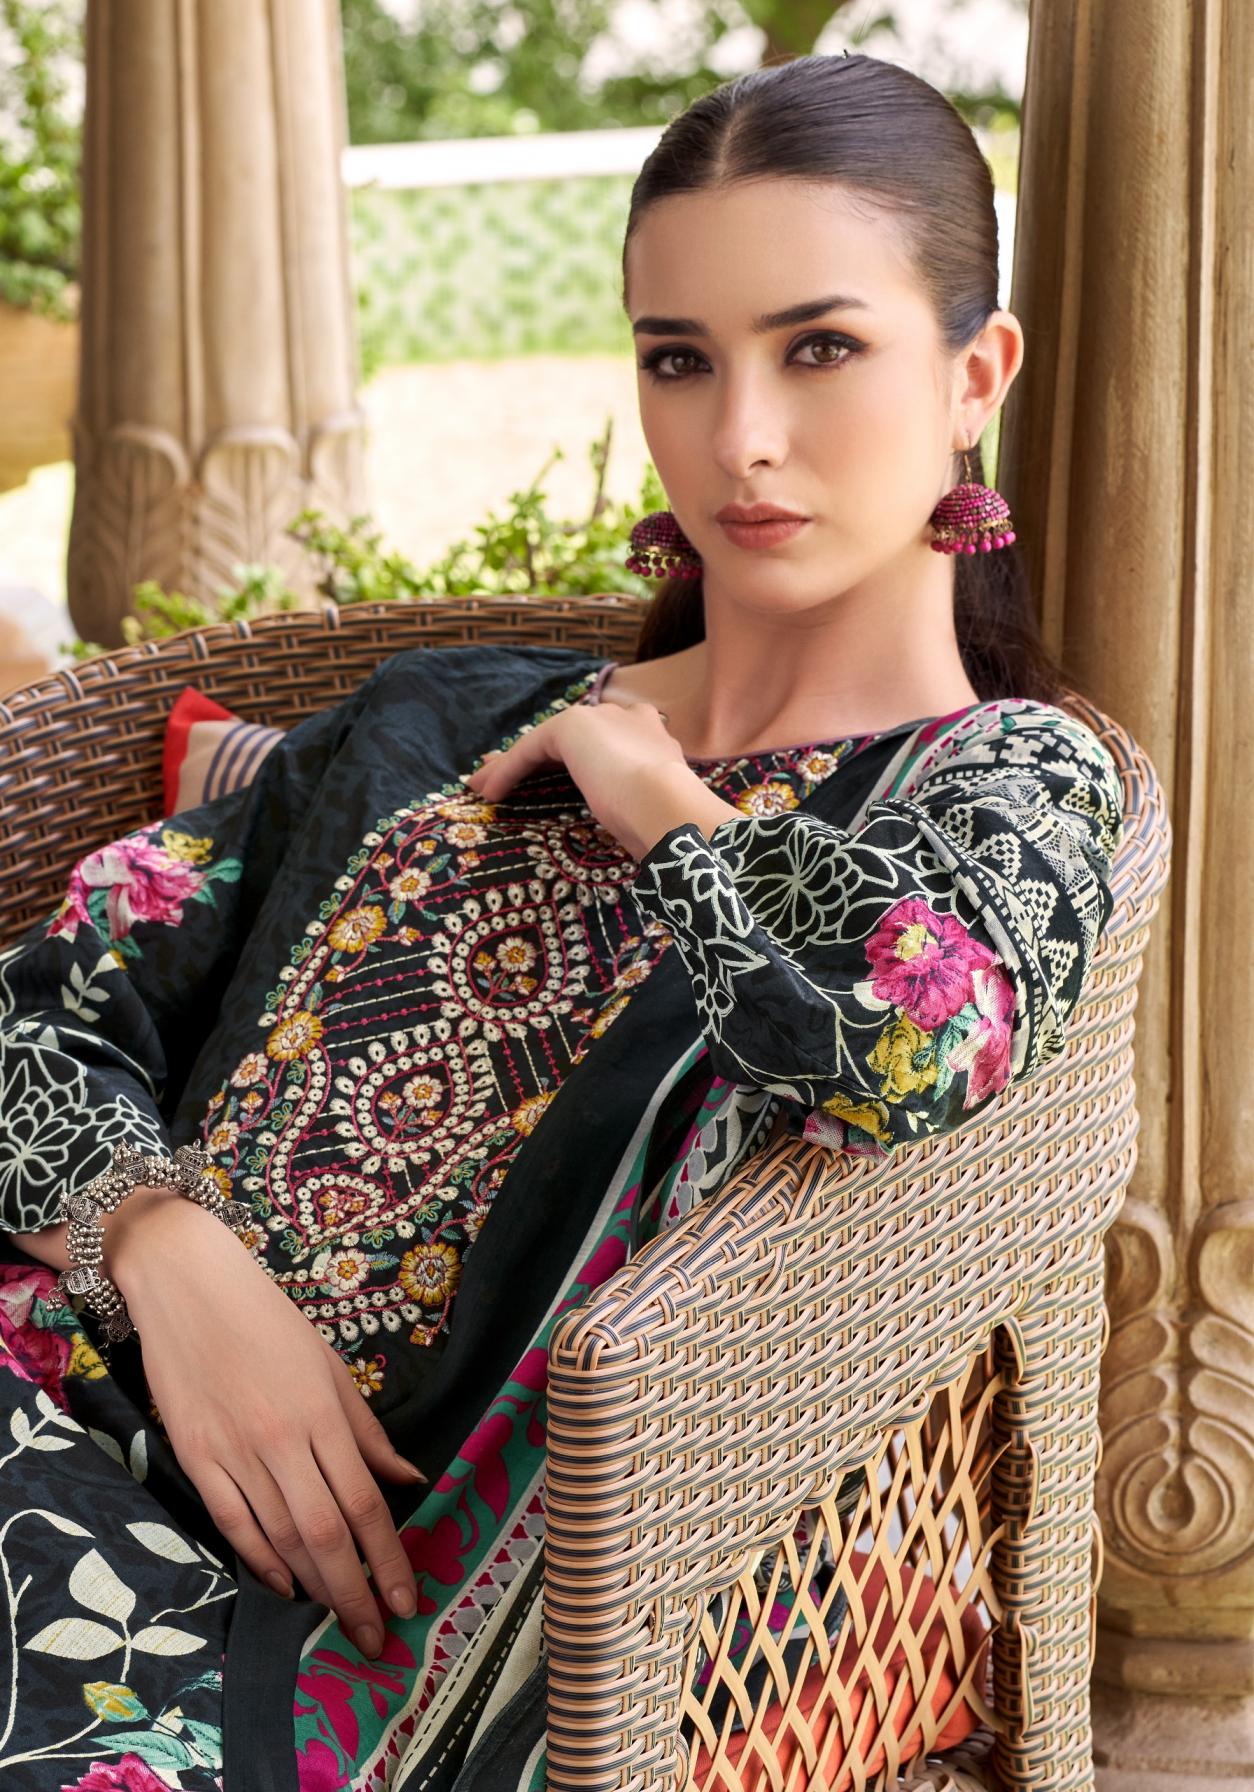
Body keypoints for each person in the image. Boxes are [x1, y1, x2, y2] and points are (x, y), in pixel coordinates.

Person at [0, 50, 1124, 1792]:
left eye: (820, 349)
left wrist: (658, 801)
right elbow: (46, 1005)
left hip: (329, 1617)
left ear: (973, 376)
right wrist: (163, 1252)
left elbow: (903, 1047)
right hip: (61, 1386)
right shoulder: (436, 720)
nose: (739, 438)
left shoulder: (1006, 782)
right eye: (679, 359)